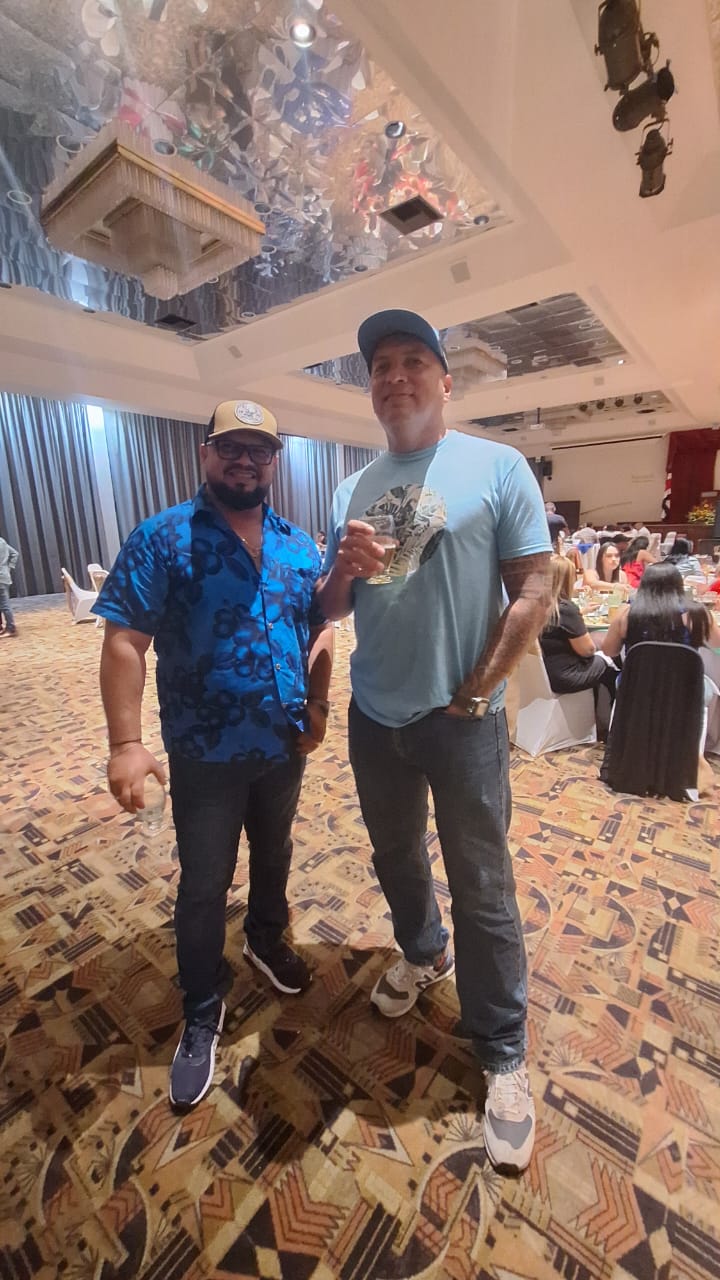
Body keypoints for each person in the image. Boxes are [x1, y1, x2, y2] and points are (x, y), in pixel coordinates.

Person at [316, 308, 552, 1175]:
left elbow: (535, 586)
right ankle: (423, 954)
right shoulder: (351, 486)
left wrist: (480, 690)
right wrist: (342, 570)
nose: (396, 376)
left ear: (446, 381)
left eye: (414, 360)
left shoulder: (497, 466)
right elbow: (332, 607)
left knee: (483, 885)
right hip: (374, 717)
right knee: (396, 858)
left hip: (463, 725)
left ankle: (502, 1049)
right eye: (381, 365)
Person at [94, 400, 334, 1111]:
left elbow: (321, 629)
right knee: (203, 884)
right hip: (204, 753)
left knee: (275, 853)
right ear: (206, 453)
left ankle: (265, 938)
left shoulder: (297, 545)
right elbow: (124, 640)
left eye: (259, 449)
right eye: (231, 446)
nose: (244, 460)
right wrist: (125, 743)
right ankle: (202, 1006)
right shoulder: (164, 537)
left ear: (274, 461)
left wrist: (319, 703)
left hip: (283, 745)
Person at [539, 555, 617, 732]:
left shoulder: (540, 605)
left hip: (545, 672)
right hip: (565, 676)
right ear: (568, 579)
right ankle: (608, 725)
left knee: (600, 647)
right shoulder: (566, 609)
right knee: (611, 660)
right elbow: (587, 651)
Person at [602, 562, 720, 657]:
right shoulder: (696, 614)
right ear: (679, 585)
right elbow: (717, 644)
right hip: (685, 680)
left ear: (643, 586)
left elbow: (609, 651)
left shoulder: (625, 613)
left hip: (637, 679)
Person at [0, 533, 19, 637]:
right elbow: (15, 553)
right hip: (4, 576)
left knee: (4, 604)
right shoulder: (2, 541)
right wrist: (9, 568)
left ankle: (11, 628)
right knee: (3, 604)